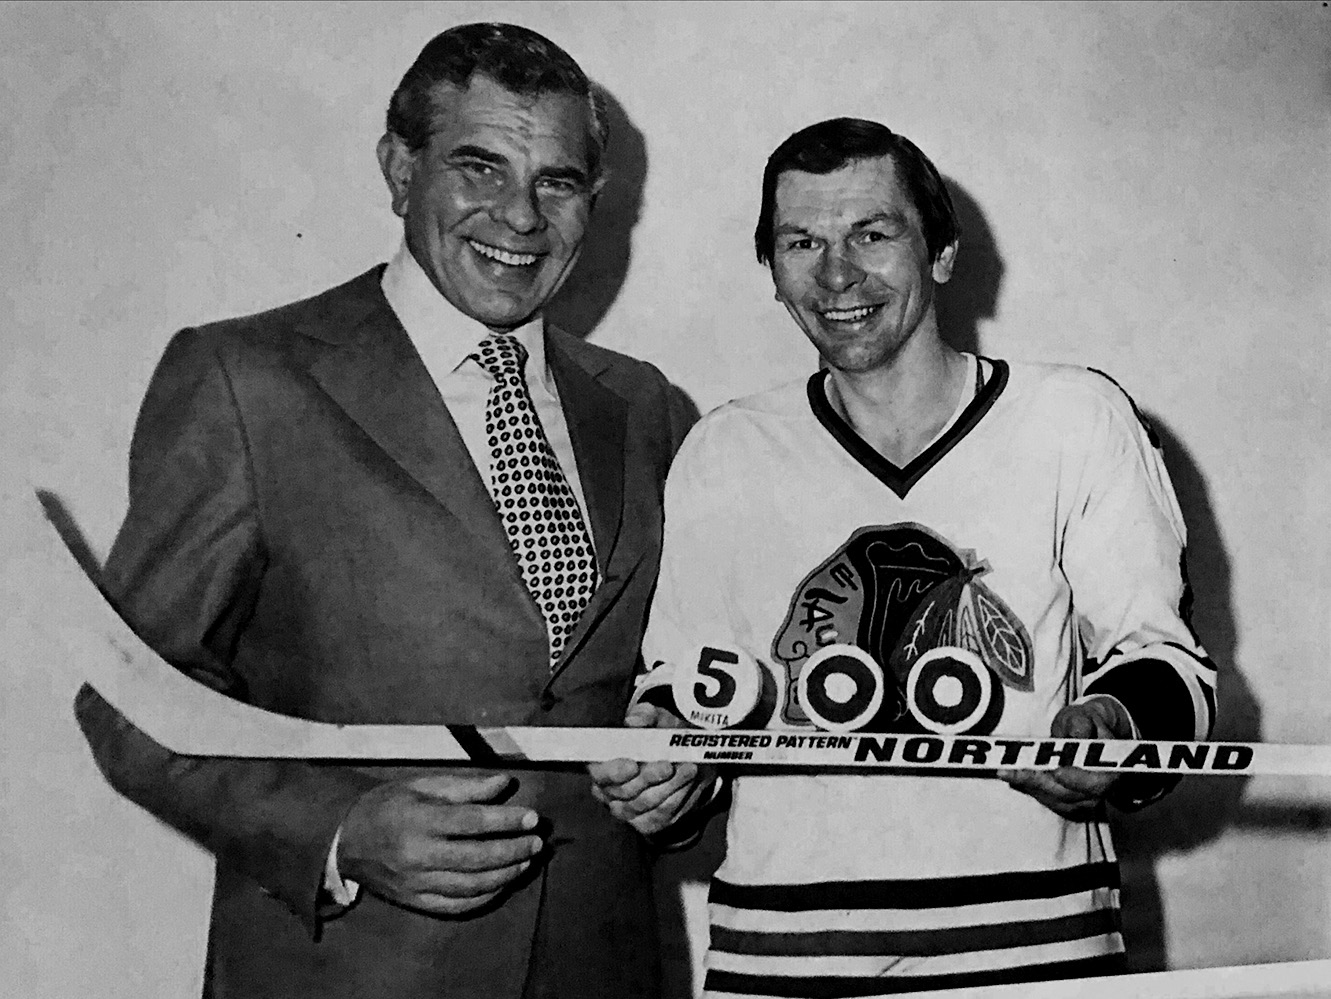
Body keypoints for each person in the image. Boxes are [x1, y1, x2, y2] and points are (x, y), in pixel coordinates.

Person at [75, 23, 693, 999]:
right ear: (399, 169)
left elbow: (675, 683)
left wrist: (681, 767)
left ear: (594, 199)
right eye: (478, 168)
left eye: (557, 181)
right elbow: (131, 698)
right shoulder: (247, 381)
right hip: (349, 971)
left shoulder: (649, 408)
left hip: (602, 965)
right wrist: (340, 833)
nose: (519, 216)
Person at [590, 118, 1216, 996]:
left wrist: (1113, 725)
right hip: (785, 961)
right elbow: (688, 688)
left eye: (871, 234)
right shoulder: (724, 450)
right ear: (771, 271)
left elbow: (1165, 665)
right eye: (800, 241)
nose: (836, 272)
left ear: (943, 253)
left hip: (1032, 956)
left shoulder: (1074, 419)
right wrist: (662, 768)